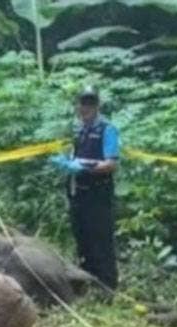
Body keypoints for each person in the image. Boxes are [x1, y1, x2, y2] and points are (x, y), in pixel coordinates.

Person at [50, 86, 121, 290]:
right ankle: (86, 282)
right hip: (78, 193)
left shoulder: (107, 129)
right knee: (82, 239)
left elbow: (112, 164)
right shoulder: (79, 130)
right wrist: (67, 162)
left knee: (100, 240)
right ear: (77, 105)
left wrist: (84, 167)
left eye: (90, 103)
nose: (86, 107)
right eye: (83, 103)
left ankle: (106, 286)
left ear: (97, 105)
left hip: (98, 193)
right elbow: (76, 157)